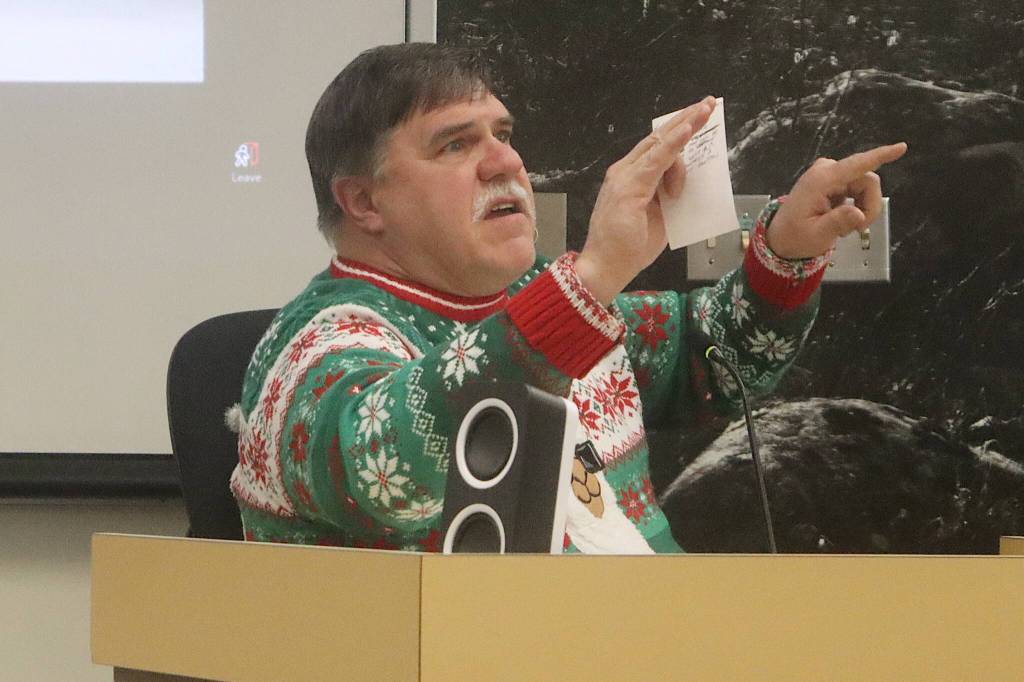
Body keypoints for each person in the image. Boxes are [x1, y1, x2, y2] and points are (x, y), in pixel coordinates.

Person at [229, 43, 906, 553]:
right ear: (364, 201)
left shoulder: (542, 295)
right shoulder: (315, 348)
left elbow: (716, 356)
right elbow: (384, 476)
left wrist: (787, 248)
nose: (504, 162)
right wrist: (591, 280)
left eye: (503, 134)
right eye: (455, 144)